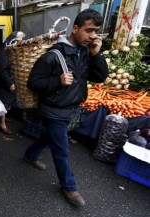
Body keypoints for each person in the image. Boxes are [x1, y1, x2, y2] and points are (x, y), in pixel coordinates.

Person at [23, 9, 109, 206]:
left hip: (71, 107)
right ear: (75, 28)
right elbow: (33, 82)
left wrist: (96, 55)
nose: (92, 36)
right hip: (54, 109)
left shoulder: (85, 53)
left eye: (96, 31)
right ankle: (69, 187)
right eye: (88, 30)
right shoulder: (53, 55)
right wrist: (57, 81)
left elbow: (100, 78)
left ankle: (30, 155)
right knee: (62, 148)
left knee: (50, 136)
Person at [0, 31, 25, 135]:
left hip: (7, 79)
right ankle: (2, 125)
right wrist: (9, 83)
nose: (20, 42)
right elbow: (0, 69)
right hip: (3, 82)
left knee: (7, 102)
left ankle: (4, 117)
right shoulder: (4, 49)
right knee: (3, 103)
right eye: (19, 40)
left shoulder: (10, 47)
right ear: (14, 39)